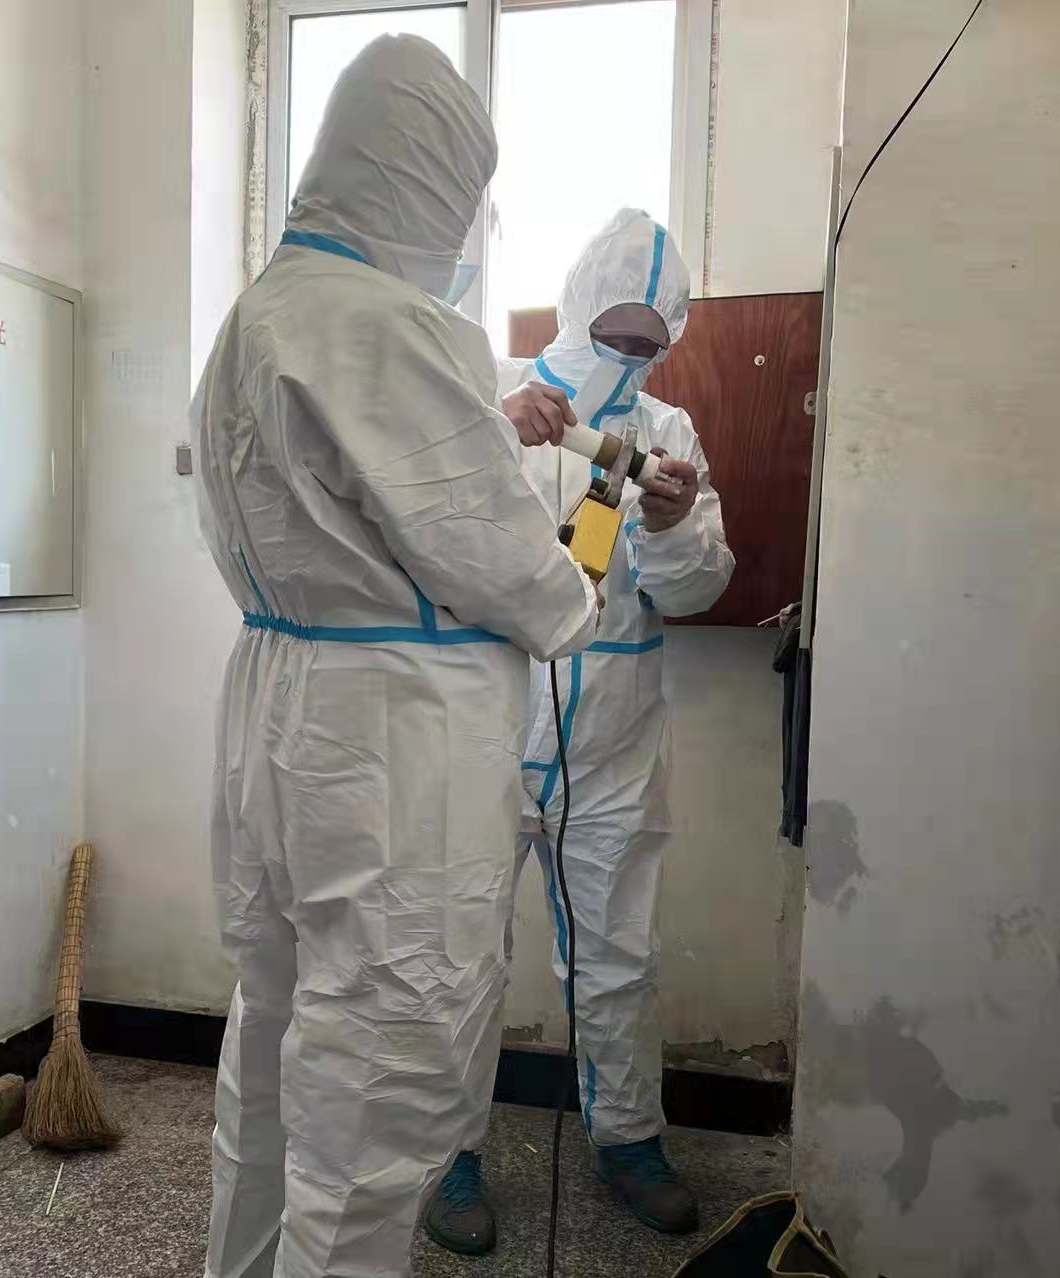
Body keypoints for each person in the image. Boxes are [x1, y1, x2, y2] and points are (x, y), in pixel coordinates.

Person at [191, 36, 602, 1278]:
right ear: (425, 176)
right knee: (373, 1088)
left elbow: (361, 498)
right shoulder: (393, 324)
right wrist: (574, 585)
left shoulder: (255, 315)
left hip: (277, 704)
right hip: (390, 741)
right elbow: (504, 563)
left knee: (273, 1048)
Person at [425, 209, 735, 1256]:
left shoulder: (668, 432)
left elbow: (693, 589)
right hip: (483, 730)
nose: (630, 354)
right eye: (615, 331)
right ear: (575, 306)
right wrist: (492, 430)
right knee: (459, 956)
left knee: (617, 957)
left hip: (610, 747)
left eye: (651, 340)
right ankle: (447, 1155)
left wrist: (670, 526)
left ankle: (628, 1139)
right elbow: (422, 525)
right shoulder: (492, 393)